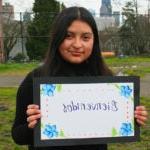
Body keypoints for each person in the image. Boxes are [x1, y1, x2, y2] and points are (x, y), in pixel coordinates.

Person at [11, 6, 148, 150]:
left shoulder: (107, 81)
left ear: (94, 41)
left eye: (85, 37)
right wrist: (31, 126)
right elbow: (17, 136)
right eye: (68, 36)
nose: (77, 44)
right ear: (57, 38)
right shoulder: (35, 79)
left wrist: (133, 117)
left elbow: (115, 123)